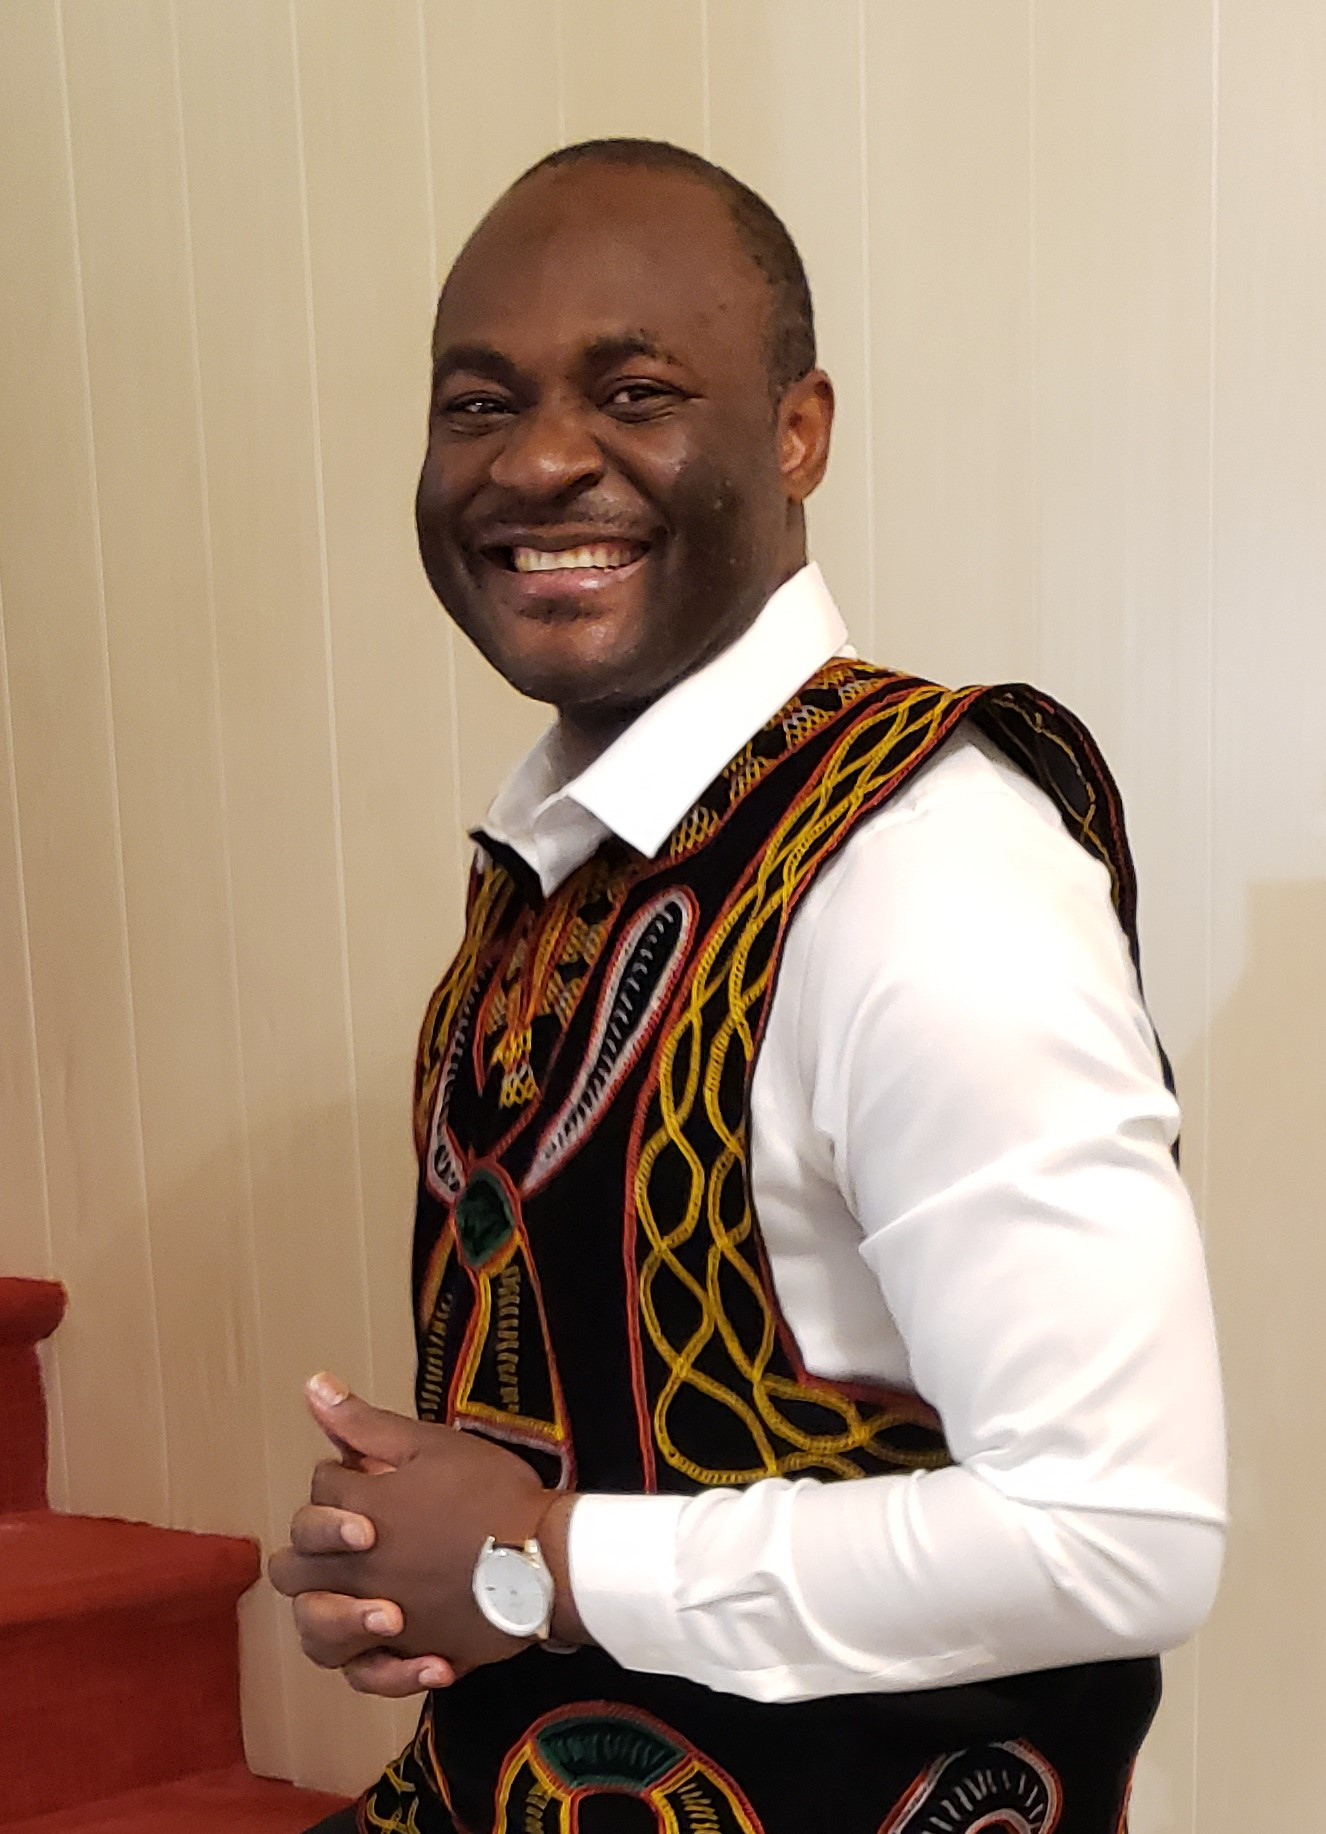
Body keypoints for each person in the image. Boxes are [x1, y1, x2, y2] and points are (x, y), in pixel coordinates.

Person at [269, 139, 1225, 1834]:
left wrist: (544, 1557)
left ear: (797, 433)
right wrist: (433, 1561)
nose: (538, 459)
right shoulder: (568, 858)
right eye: (478, 403)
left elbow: (1115, 1534)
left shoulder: (923, 872)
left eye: (632, 392)